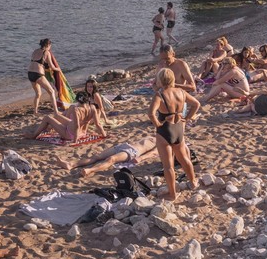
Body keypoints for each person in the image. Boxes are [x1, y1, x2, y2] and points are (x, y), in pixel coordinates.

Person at [149, 69, 201, 201]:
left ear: (160, 80)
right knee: (184, 158)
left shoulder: (159, 95)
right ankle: (193, 182)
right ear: (173, 79)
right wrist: (186, 118)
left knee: (168, 166)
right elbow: (196, 104)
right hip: (178, 128)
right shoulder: (181, 92)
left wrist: (158, 124)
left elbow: (151, 113)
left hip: (165, 130)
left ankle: (172, 194)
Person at [58, 137, 158, 177]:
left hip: (132, 151)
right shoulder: (154, 135)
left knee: (111, 159)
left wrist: (141, 158)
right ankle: (71, 164)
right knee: (97, 156)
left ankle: (91, 170)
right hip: (124, 145)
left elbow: (153, 153)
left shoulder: (161, 141)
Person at [26, 97, 106, 143]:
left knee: (47, 118)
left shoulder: (76, 109)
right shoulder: (92, 108)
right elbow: (98, 124)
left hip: (70, 134)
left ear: (78, 101)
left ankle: (34, 136)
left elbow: (77, 125)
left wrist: (75, 141)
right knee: (56, 116)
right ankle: (48, 128)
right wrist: (104, 135)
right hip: (82, 133)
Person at [27, 39, 59, 113]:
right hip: (38, 74)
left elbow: (36, 62)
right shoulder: (46, 52)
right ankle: (56, 112)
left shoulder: (35, 51)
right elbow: (51, 66)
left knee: (38, 94)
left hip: (30, 73)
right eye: (50, 46)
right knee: (51, 91)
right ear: (48, 45)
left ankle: (35, 112)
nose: (50, 48)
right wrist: (58, 69)